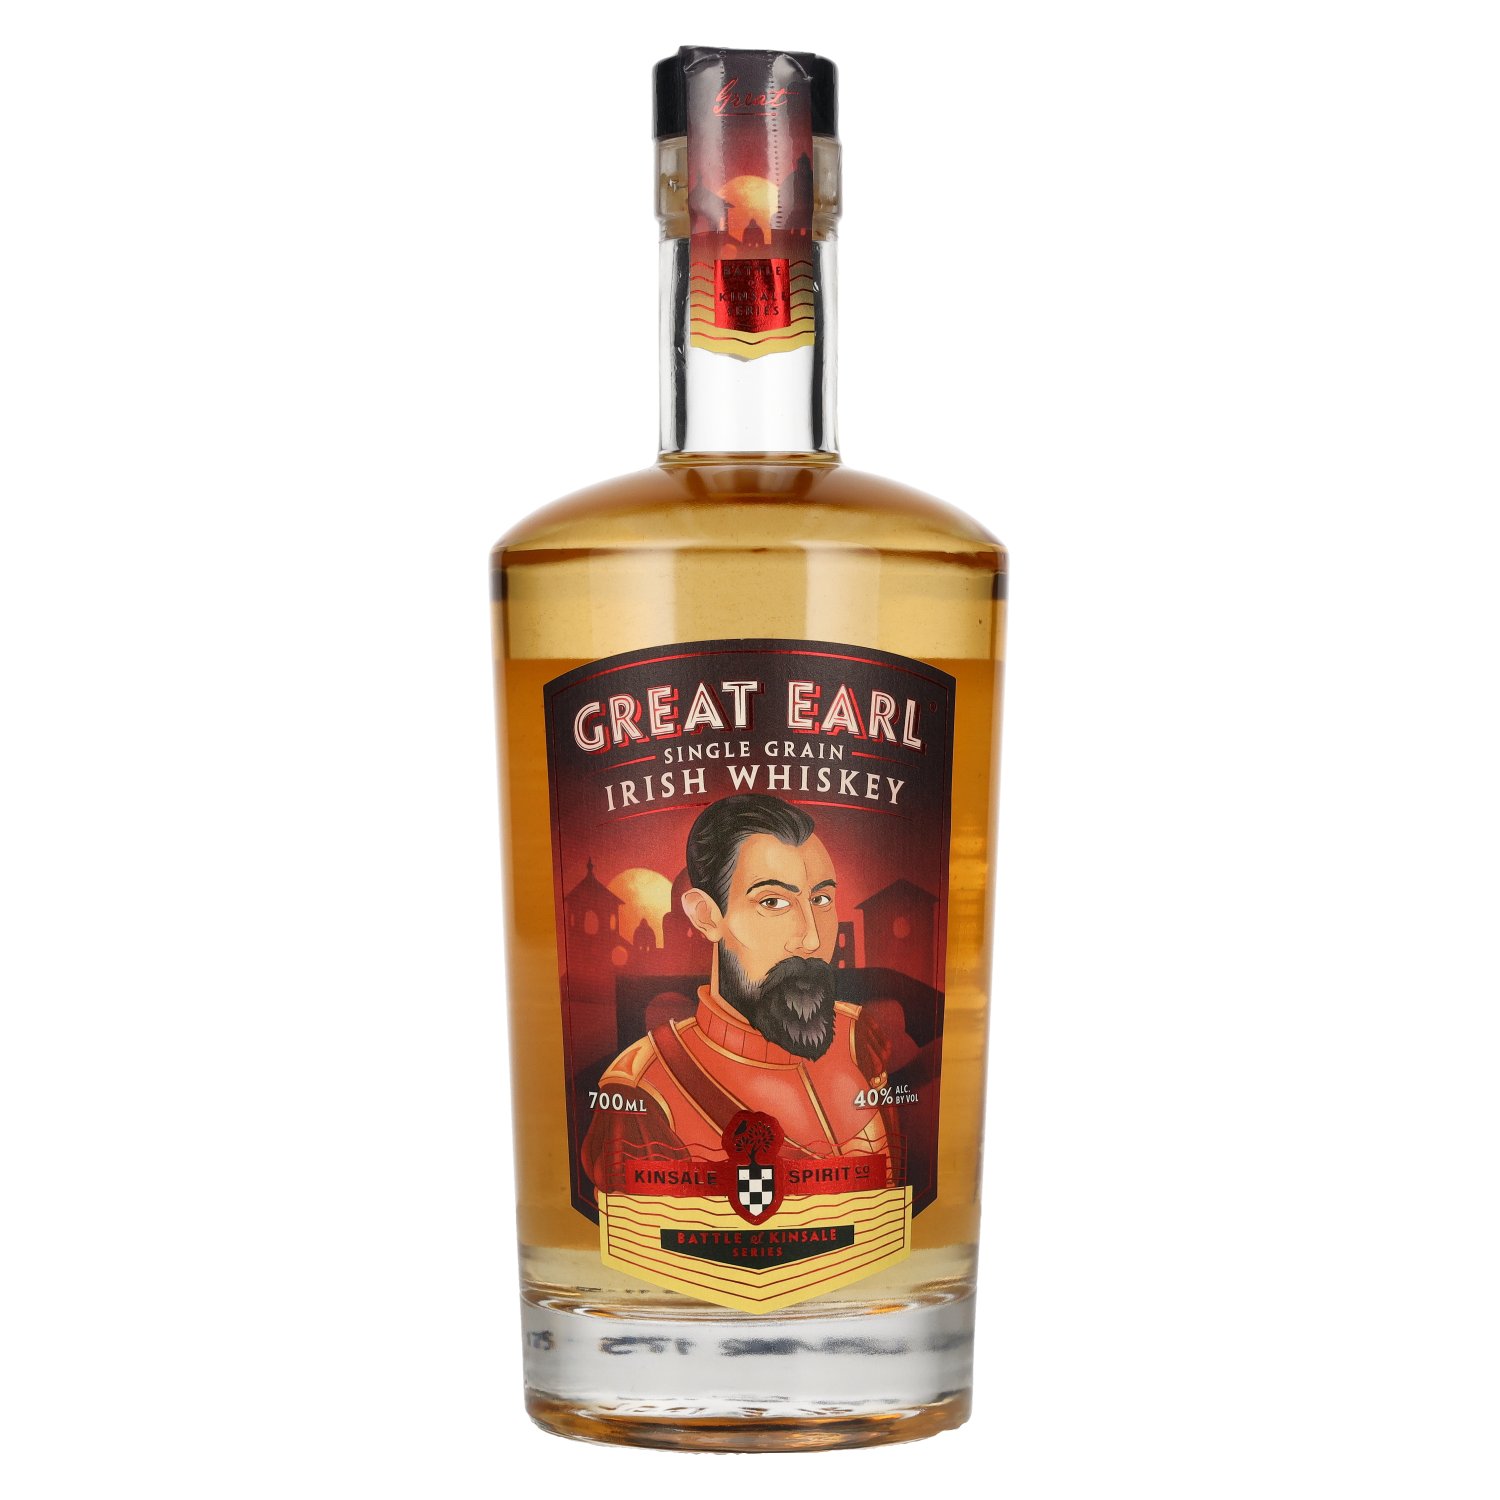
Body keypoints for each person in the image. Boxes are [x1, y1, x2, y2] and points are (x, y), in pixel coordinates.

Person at [580, 793, 898, 1195]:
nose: (811, 939)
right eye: (773, 902)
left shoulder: (858, 1039)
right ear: (706, 916)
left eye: (821, 899)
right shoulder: (644, 1089)